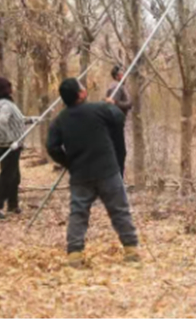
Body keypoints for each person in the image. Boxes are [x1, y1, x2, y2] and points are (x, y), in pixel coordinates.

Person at [46, 78, 140, 267]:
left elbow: (51, 147)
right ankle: (131, 250)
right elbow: (119, 118)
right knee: (119, 210)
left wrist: (68, 162)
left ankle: (74, 254)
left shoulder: (60, 121)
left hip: (80, 174)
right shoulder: (99, 109)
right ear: (81, 94)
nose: (84, 89)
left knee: (78, 214)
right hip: (108, 171)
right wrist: (112, 105)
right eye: (82, 87)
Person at [0, 77, 38, 219]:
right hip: (8, 147)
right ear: (4, 89)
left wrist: (31, 120)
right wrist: (11, 140)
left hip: (13, 146)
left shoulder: (7, 103)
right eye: (9, 86)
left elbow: (17, 119)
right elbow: (1, 122)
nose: (12, 89)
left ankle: (13, 204)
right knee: (7, 176)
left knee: (14, 176)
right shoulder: (4, 104)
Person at [105, 65, 133, 178]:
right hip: (114, 125)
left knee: (119, 153)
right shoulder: (115, 87)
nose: (124, 75)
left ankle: (117, 180)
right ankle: (117, 181)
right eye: (122, 73)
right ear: (117, 76)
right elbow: (112, 106)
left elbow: (127, 104)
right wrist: (116, 103)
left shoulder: (121, 87)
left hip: (118, 124)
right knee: (119, 153)